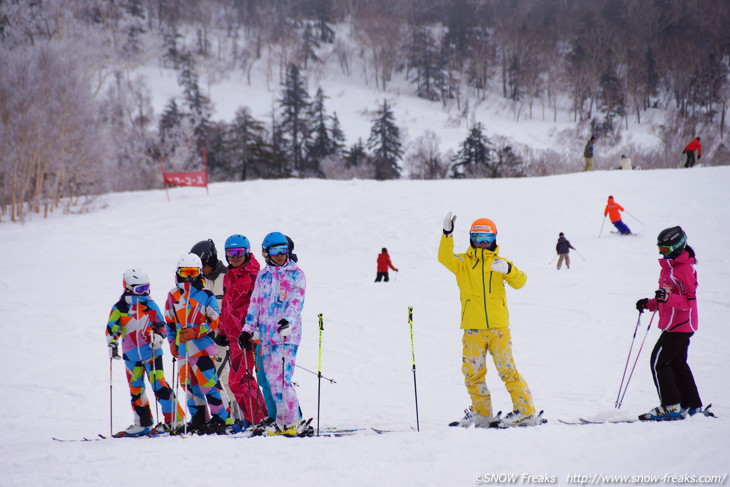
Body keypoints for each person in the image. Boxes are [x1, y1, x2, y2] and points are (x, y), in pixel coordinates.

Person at [439, 213, 541, 428]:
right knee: (472, 373)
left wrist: (510, 270)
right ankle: (482, 414)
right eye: (477, 238)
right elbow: (444, 257)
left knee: (507, 370)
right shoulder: (462, 263)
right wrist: (447, 234)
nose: (482, 243)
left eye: (487, 238)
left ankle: (525, 412)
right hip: (472, 329)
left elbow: (521, 281)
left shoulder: (500, 263)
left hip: (498, 329)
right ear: (471, 239)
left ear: (494, 238)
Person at [239, 232, 311, 436]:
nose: (280, 255)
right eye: (274, 251)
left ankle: (293, 421)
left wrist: (287, 321)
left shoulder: (296, 274)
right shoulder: (263, 276)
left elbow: (296, 302)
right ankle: (281, 421)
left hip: (287, 336)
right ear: (266, 253)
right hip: (267, 337)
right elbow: (255, 305)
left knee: (282, 380)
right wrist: (247, 330)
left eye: (283, 250)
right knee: (272, 381)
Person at [635, 226, 706, 421]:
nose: (661, 252)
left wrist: (667, 298)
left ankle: (670, 406)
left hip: (680, 325)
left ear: (677, 246)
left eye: (665, 249)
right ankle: (692, 405)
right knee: (677, 363)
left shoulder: (682, 270)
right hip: (676, 324)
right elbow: (667, 294)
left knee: (660, 363)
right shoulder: (671, 268)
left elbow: (688, 301)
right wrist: (650, 303)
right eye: (660, 248)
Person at [106, 269, 184, 437]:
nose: (145, 292)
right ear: (127, 287)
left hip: (152, 353)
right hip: (131, 356)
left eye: (146, 288)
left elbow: (161, 325)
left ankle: (175, 419)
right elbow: (112, 328)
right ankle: (143, 423)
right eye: (140, 289)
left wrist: (159, 336)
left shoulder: (149, 305)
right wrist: (112, 342)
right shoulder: (120, 308)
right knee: (136, 389)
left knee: (159, 385)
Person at [165, 253, 232, 434]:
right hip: (183, 349)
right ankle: (198, 418)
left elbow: (215, 320)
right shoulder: (173, 296)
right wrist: (172, 342)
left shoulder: (205, 295)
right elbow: (169, 322)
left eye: (192, 272)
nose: (189, 277)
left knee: (208, 383)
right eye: (185, 272)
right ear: (179, 273)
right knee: (189, 385)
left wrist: (196, 331)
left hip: (202, 348)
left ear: (199, 273)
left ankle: (222, 417)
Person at [218, 234, 268, 427]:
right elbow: (227, 306)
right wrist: (222, 331)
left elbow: (260, 307)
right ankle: (258, 418)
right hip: (234, 337)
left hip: (248, 336)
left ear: (247, 252)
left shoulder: (254, 276)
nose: (235, 256)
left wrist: (253, 332)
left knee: (240, 382)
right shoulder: (229, 276)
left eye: (239, 252)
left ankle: (258, 419)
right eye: (230, 253)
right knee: (240, 381)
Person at [190, 239, 238, 421]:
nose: (200, 271)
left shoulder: (227, 278)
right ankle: (223, 417)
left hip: (224, 339)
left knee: (225, 377)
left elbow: (233, 308)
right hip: (205, 340)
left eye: (202, 266)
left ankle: (239, 417)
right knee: (209, 381)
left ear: (210, 261)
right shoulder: (199, 282)